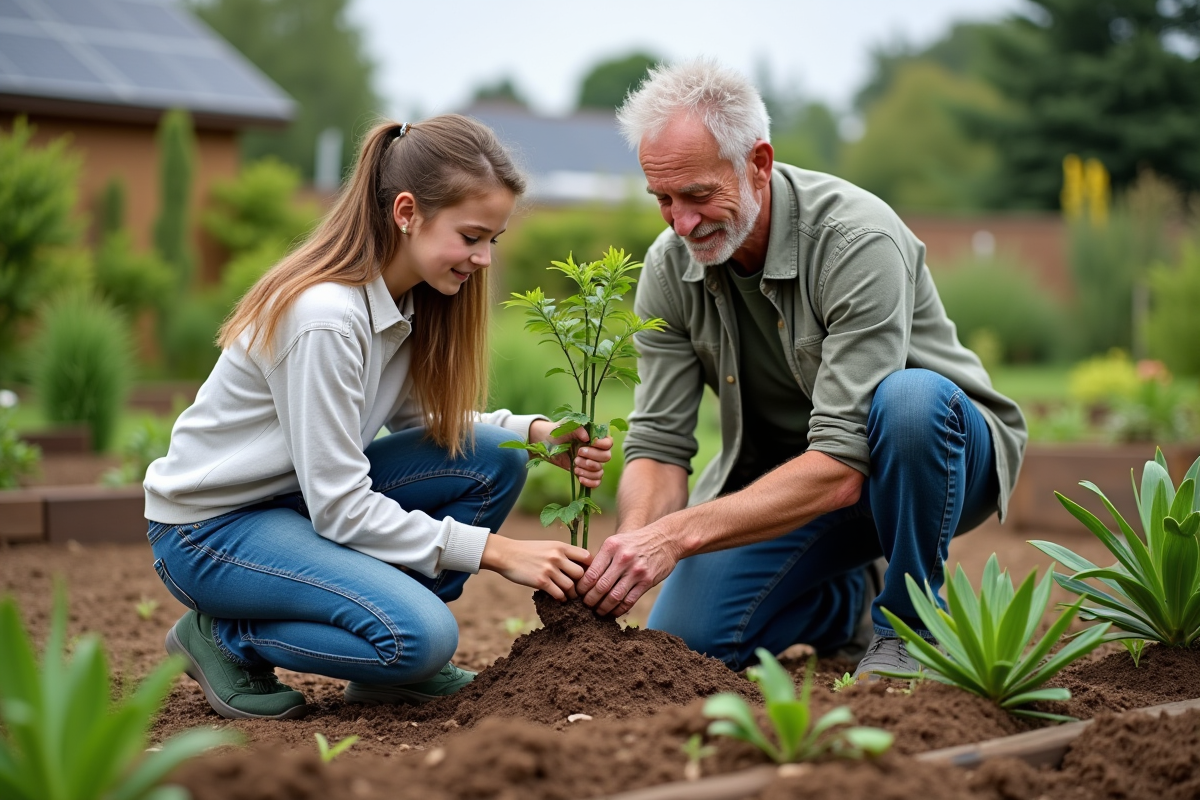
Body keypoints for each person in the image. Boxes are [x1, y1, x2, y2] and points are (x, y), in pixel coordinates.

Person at [144, 115, 610, 720]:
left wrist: (533, 434)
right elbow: (340, 505)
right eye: (471, 236)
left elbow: (428, 424)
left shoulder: (402, 301)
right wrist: (494, 550)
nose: (485, 258)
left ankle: (385, 663)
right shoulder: (326, 318)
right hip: (212, 533)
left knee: (494, 458)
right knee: (422, 637)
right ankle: (226, 637)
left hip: (294, 507)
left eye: (492, 239)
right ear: (407, 212)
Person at [575, 60, 1027, 681]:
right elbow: (659, 443)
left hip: (933, 461)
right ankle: (844, 608)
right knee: (687, 640)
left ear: (758, 163)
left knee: (910, 401)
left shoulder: (854, 241)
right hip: (790, 485)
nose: (682, 222)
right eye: (664, 199)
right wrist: (630, 545)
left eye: (700, 195)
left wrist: (677, 536)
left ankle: (912, 629)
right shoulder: (668, 267)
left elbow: (842, 467)